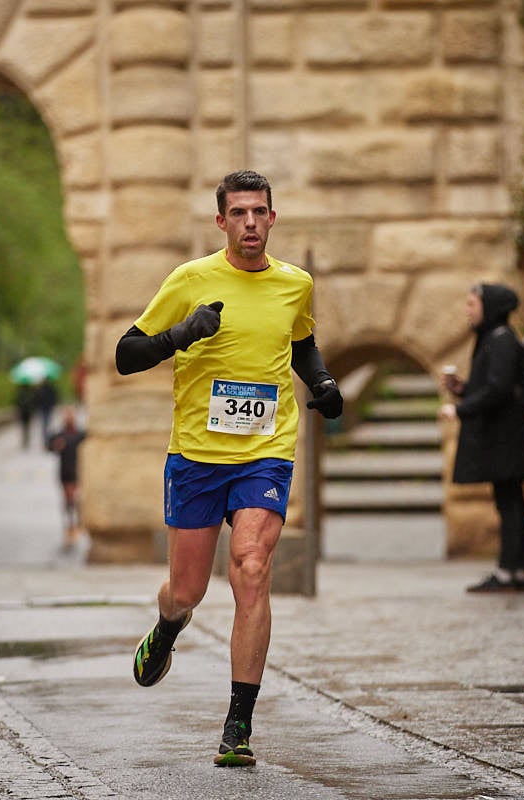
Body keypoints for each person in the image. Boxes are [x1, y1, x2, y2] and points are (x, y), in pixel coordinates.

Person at [115, 170, 343, 767]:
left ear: (273, 218)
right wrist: (183, 333)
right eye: (238, 213)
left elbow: (301, 342)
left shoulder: (296, 285)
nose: (249, 223)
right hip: (195, 456)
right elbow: (125, 354)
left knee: (251, 565)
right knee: (187, 589)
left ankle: (238, 724)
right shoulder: (190, 280)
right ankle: (166, 628)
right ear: (221, 222)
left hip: (265, 451)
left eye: (259, 212)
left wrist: (320, 380)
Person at [439, 283, 524, 593]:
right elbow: (492, 385)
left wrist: (461, 409)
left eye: (472, 304)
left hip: (504, 437)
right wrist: (462, 389)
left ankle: (510, 572)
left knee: (510, 503)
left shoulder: (502, 340)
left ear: (489, 307)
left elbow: (498, 390)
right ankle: (519, 571)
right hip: (505, 435)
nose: (468, 310)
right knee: (511, 500)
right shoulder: (496, 340)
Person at [48, 407, 87, 551]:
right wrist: (55, 446)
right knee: (68, 498)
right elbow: (49, 446)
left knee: (75, 498)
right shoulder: (60, 435)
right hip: (65, 471)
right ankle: (71, 524)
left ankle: (75, 523)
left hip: (78, 470)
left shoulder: (80, 434)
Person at [36, 378, 58, 446]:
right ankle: (47, 439)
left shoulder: (41, 390)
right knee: (47, 424)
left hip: (44, 409)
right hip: (48, 408)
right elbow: (54, 398)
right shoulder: (50, 389)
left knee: (45, 425)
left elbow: (38, 400)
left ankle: (46, 439)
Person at [15, 382, 36, 450]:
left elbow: (16, 402)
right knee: (27, 426)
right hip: (28, 412)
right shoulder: (30, 393)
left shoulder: (20, 393)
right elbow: (33, 402)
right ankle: (27, 439)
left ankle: (25, 439)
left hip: (22, 412)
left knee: (24, 426)